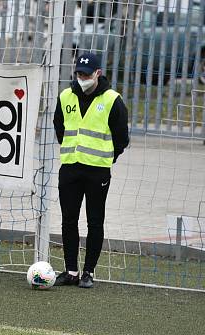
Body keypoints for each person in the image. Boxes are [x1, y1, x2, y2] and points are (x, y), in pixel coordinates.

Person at [53, 51, 130, 288]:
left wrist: (108, 157)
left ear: (98, 73)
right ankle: (71, 270)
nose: (82, 78)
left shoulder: (112, 100)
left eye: (86, 74)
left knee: (95, 221)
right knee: (68, 220)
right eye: (78, 73)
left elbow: (121, 138)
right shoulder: (66, 96)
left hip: (97, 171)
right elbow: (60, 127)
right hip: (70, 168)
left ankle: (88, 272)